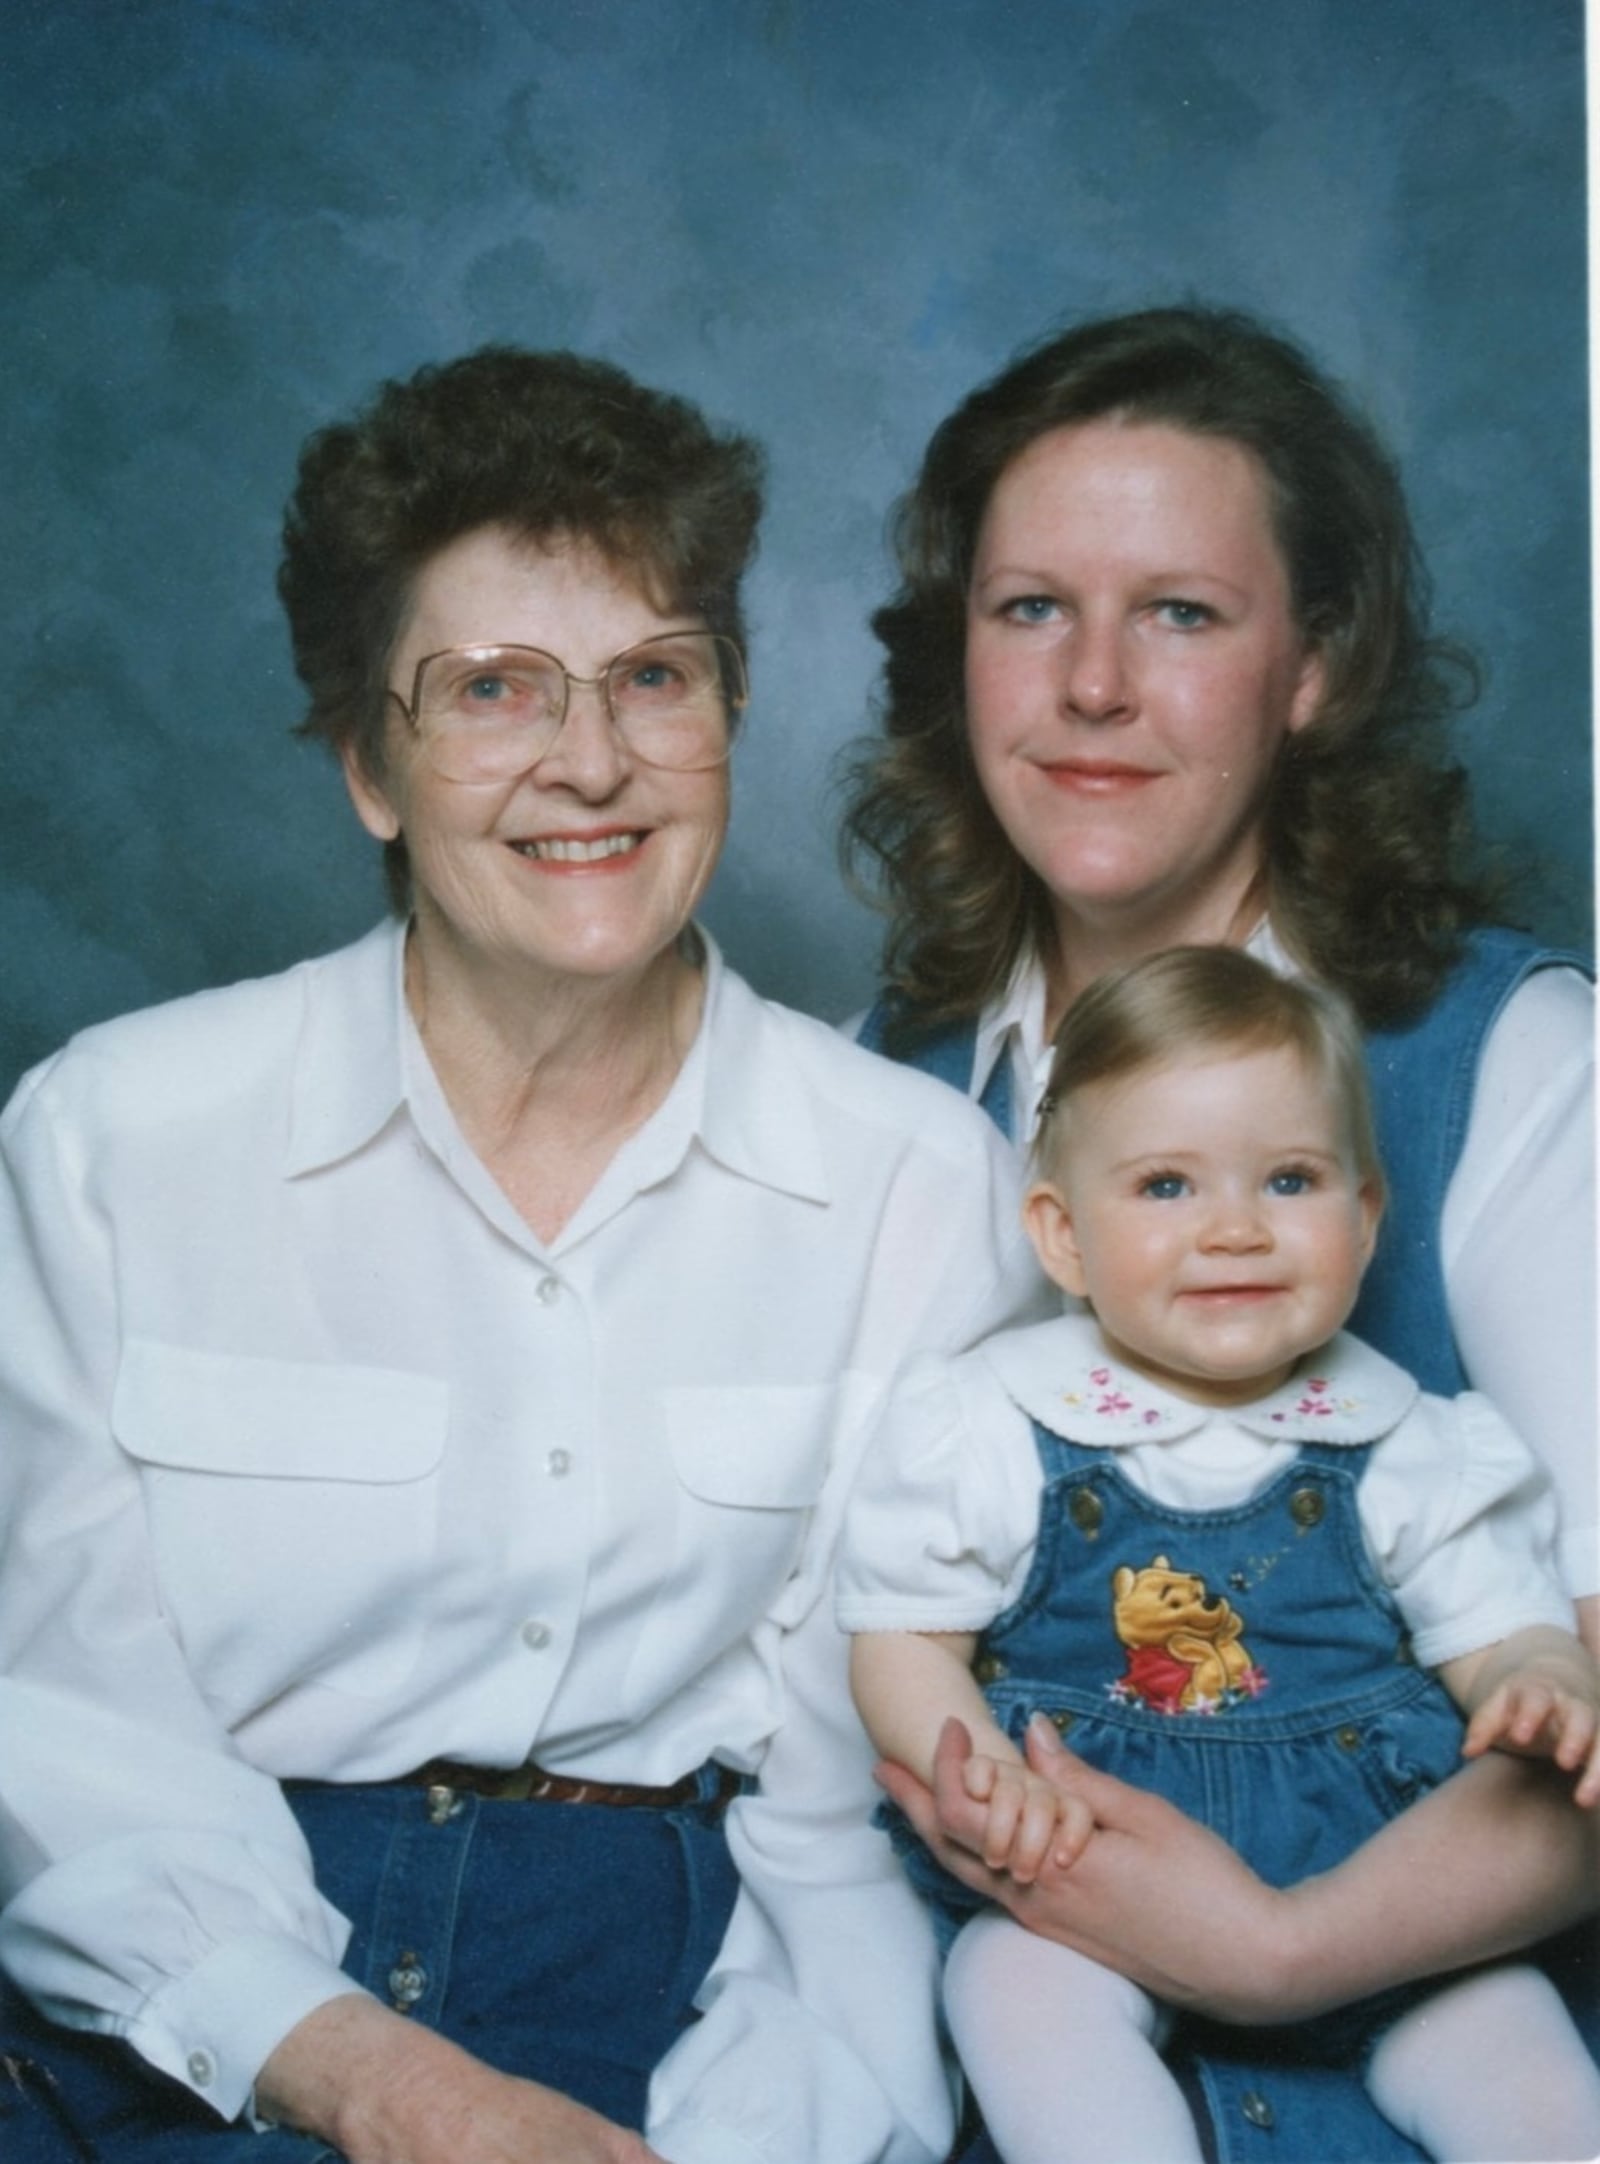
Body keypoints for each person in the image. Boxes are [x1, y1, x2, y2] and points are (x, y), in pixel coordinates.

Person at [0, 347, 1044, 2164]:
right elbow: (61, 1721)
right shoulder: (110, 1138)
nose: (591, 759)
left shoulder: (913, 1185)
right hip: (188, 1978)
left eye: (656, 676)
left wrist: (765, 2134)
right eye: (493, 687)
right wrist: (377, 2077)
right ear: (368, 766)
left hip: (678, 1974)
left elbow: (841, 1813)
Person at [842, 304, 1598, 2161]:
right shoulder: (884, 1080)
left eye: (1181, 612)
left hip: (1407, 2044)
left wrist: (1279, 1947)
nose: (1094, 683)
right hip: (964, 2042)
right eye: (1031, 608)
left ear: (1314, 668)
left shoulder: (1510, 1061)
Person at [841, 945, 1600, 2164]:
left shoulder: (1407, 1440)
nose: (1235, 1229)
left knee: (1533, 2075)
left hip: (1375, 1890)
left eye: (1289, 1179)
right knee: (1013, 1997)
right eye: (1165, 1188)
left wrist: (1545, 1686)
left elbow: (1500, 1628)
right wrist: (987, 1773)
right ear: (1063, 1234)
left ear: (1362, 1220)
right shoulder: (990, 1421)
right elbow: (900, 1640)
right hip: (1085, 1884)